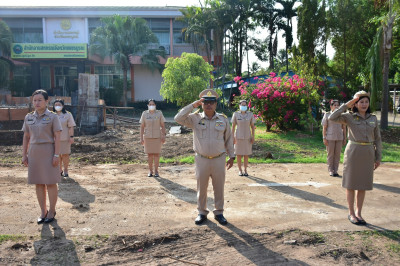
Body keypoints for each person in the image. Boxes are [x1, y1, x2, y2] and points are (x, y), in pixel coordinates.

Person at [174, 89, 235, 225]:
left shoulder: (223, 119)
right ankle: (202, 212)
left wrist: (232, 156)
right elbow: (177, 118)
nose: (209, 105)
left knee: (219, 187)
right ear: (201, 104)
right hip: (201, 159)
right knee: (202, 187)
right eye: (205, 102)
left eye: (211, 102)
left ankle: (219, 212)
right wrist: (192, 105)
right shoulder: (195, 119)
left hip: (219, 159)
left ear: (216, 104)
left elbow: (229, 139)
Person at [329, 91, 382, 225]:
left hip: (368, 153)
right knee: (351, 184)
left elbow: (378, 139)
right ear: (356, 103)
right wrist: (348, 104)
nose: (364, 104)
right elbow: (332, 117)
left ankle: (359, 212)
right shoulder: (349, 117)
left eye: (366, 101)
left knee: (363, 185)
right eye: (361, 102)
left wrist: (378, 157)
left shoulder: (373, 118)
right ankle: (351, 213)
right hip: (353, 152)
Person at [22, 89, 62, 224]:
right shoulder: (29, 117)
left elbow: (57, 137)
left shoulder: (53, 117)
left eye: (40, 100)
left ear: (46, 101)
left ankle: (52, 210)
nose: (37, 102)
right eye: (34, 100)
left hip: (49, 151)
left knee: (50, 182)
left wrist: (56, 154)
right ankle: (43, 211)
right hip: (34, 153)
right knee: (38, 183)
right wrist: (24, 155)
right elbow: (26, 137)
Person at [140, 99, 166, 177]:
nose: (151, 106)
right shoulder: (144, 114)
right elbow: (142, 127)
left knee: (157, 155)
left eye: (153, 104)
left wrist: (163, 135)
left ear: (155, 105)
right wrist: (141, 138)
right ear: (148, 105)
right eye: (150, 104)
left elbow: (163, 125)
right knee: (150, 155)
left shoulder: (159, 113)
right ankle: (150, 171)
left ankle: (156, 171)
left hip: (157, 137)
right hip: (147, 137)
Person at [321, 100, 347, 177]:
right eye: (334, 105)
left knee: (337, 155)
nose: (336, 106)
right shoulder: (327, 115)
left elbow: (344, 128)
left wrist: (345, 138)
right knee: (330, 154)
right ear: (331, 106)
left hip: (339, 137)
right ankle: (330, 170)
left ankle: (335, 170)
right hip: (330, 137)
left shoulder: (342, 116)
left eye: (337, 105)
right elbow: (324, 128)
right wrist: (324, 138)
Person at [231, 99, 255, 176]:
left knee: (246, 155)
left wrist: (253, 137)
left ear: (246, 106)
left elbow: (252, 126)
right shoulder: (235, 114)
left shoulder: (250, 114)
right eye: (242, 105)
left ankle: (245, 170)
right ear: (239, 106)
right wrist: (232, 137)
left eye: (245, 105)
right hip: (238, 137)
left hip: (247, 137)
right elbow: (233, 127)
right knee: (238, 154)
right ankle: (240, 170)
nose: (243, 106)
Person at [53, 99, 76, 178]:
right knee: (57, 155)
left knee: (65, 155)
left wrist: (71, 136)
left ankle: (66, 169)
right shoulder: (52, 115)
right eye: (55, 105)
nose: (57, 106)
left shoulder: (68, 115)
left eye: (59, 104)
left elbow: (71, 127)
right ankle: (59, 170)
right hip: (55, 139)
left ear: (62, 106)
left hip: (65, 138)